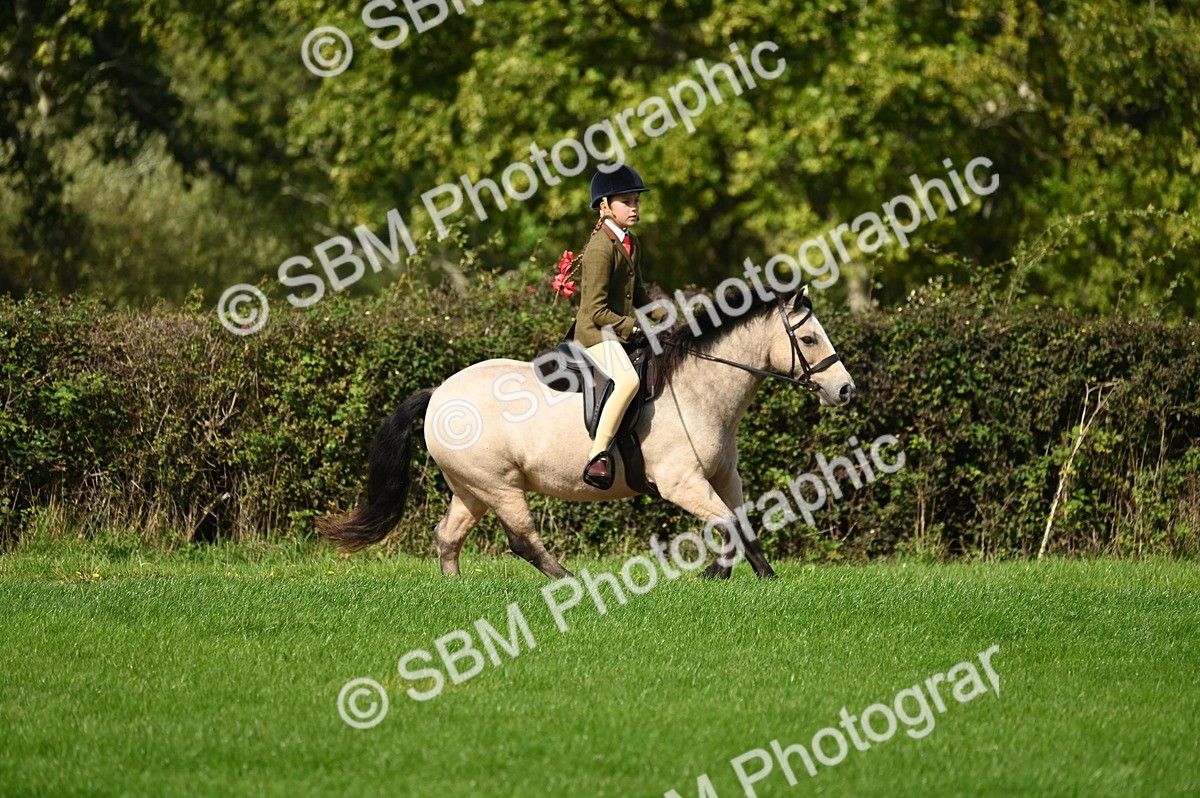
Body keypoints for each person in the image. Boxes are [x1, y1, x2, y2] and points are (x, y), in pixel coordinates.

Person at [565, 164, 669, 489]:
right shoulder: (599, 249)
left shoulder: (631, 243)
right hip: (596, 334)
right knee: (626, 381)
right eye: (627, 201)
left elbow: (636, 292)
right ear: (605, 206)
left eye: (636, 201)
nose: (634, 207)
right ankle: (598, 455)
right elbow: (595, 310)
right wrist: (633, 328)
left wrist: (661, 315)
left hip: (617, 329)